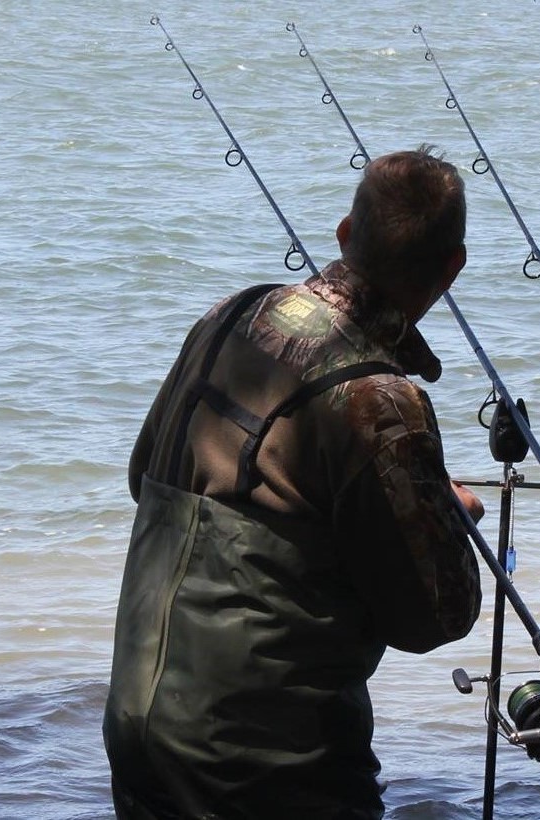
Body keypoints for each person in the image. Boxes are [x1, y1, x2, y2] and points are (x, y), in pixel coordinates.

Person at [105, 147, 486, 819]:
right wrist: (446, 514)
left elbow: (145, 477)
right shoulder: (382, 400)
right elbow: (434, 618)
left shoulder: (230, 315)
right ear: (452, 267)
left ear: (344, 233)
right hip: (267, 767)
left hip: (142, 722)